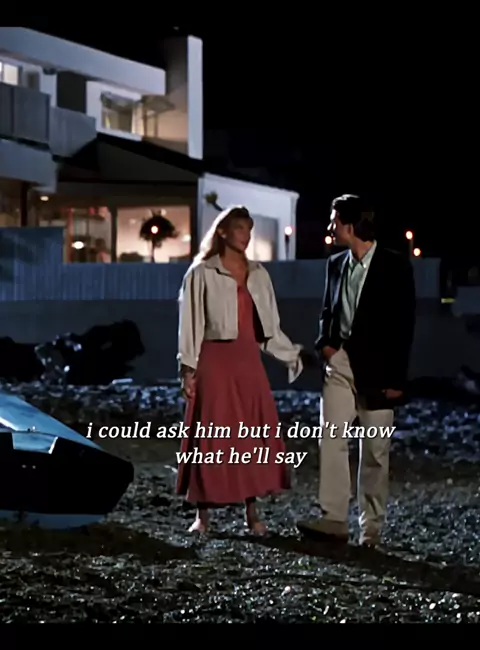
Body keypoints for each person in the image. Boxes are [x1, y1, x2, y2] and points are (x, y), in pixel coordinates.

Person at [176, 205, 309, 535]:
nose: (246, 236)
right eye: (239, 228)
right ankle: (203, 515)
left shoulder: (259, 274)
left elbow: (270, 328)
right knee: (211, 435)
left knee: (251, 435)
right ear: (222, 231)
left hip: (247, 361)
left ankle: (252, 513)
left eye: (249, 229)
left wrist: (293, 354)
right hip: (214, 361)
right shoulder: (201, 273)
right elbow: (190, 324)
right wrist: (188, 368)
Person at [297, 194, 416, 547]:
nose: (330, 227)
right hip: (340, 364)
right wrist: (326, 347)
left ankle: (371, 529)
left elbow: (404, 325)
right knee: (331, 437)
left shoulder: (395, 265)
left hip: (379, 370)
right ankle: (333, 518)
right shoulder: (336, 264)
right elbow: (328, 311)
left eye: (334, 221)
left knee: (375, 450)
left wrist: (396, 379)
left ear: (350, 225)